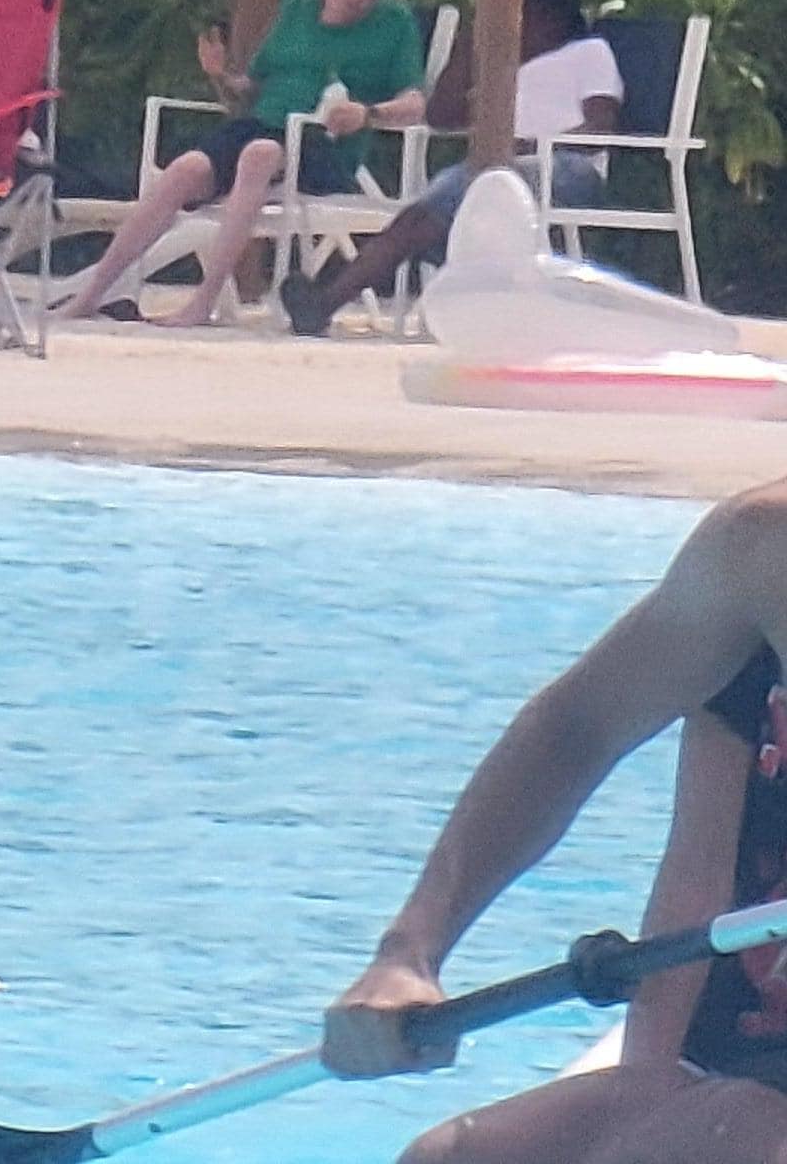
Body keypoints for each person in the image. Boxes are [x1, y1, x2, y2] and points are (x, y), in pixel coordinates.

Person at [323, 480, 787, 1159]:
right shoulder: (765, 550)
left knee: (738, 1131)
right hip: (732, 1058)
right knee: (449, 1157)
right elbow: (575, 732)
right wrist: (409, 953)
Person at [55, 0, 425, 329]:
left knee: (258, 155)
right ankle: (92, 295)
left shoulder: (393, 23)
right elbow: (249, 89)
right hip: (263, 124)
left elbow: (415, 104)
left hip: (324, 141)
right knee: (184, 169)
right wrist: (220, 75)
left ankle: (203, 302)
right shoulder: (296, 11)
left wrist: (368, 113)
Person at [281, 0, 623, 336]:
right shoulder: (501, 70)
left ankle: (327, 300)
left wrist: (533, 145)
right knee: (425, 211)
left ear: (550, 16)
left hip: (565, 166)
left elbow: (599, 131)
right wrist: (469, 46)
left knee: (459, 200)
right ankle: (323, 303)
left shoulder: (589, 53)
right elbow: (441, 117)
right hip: (495, 164)